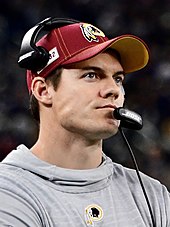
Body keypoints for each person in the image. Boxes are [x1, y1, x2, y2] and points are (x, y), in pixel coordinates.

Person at [0, 17, 169, 227]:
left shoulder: (152, 195)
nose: (114, 90)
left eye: (118, 79)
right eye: (91, 75)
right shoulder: (8, 192)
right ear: (43, 91)